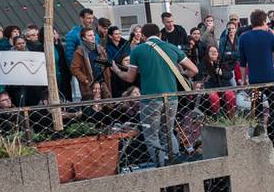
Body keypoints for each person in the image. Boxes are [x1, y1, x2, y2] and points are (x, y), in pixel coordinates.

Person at [109, 23, 198, 166]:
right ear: (160, 35)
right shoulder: (171, 47)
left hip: (150, 99)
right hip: (171, 98)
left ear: (143, 36)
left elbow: (130, 77)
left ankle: (162, 166)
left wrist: (117, 71)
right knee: (168, 132)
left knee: (151, 135)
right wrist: (179, 74)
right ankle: (175, 163)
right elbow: (194, 70)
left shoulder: (138, 50)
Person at [238, 10, 274, 135]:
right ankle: (271, 132)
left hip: (254, 81)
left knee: (256, 107)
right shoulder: (269, 35)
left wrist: (244, 80)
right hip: (270, 80)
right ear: (264, 22)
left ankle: (259, 133)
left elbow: (242, 63)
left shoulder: (243, 37)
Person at [70, 26, 111, 100]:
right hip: (90, 85)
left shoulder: (100, 49)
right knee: (91, 104)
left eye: (93, 35)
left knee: (107, 103)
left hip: (103, 82)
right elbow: (74, 69)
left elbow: (106, 64)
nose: (93, 37)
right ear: (84, 38)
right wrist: (86, 80)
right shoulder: (79, 51)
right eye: (90, 35)